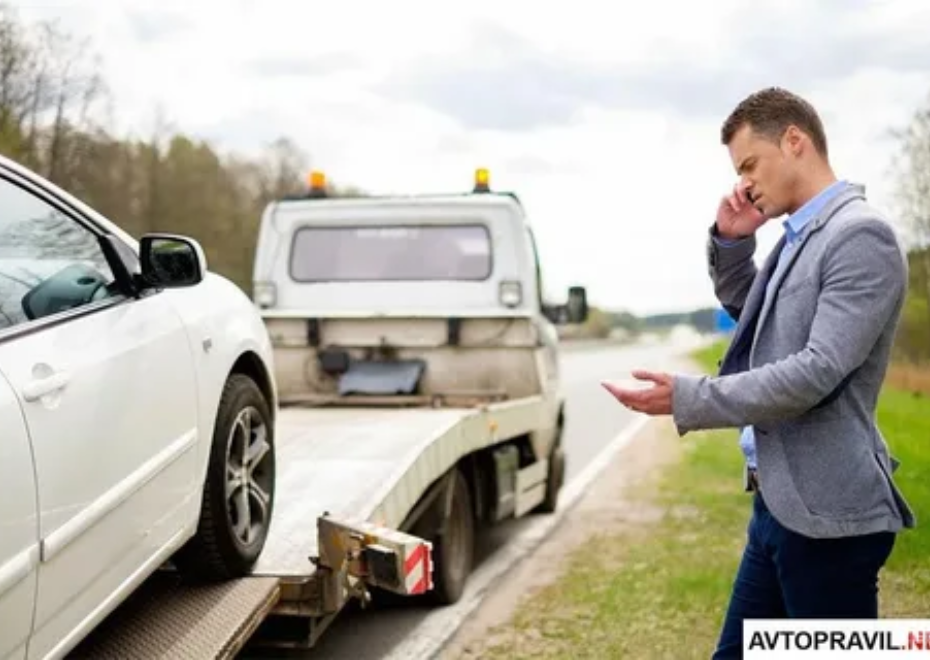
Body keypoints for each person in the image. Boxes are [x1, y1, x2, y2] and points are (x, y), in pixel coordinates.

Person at [602, 87, 915, 658]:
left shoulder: (858, 235)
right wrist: (732, 242)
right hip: (777, 504)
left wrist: (689, 398)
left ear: (794, 141)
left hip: (829, 520)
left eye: (750, 164)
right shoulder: (800, 235)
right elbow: (760, 320)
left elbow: (815, 372)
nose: (744, 183)